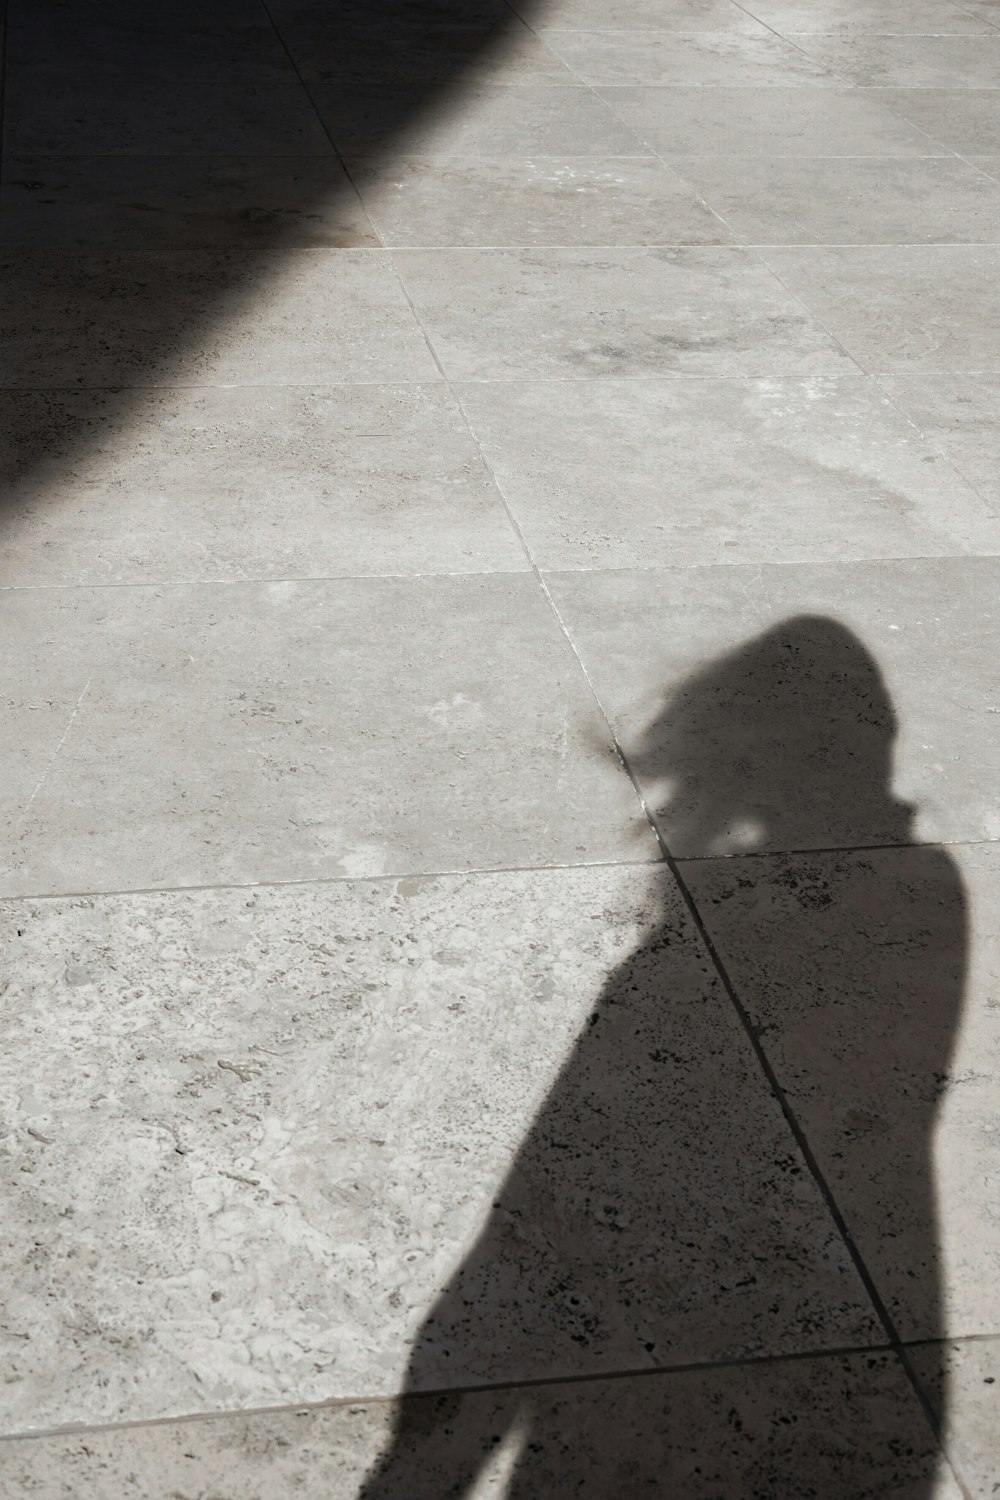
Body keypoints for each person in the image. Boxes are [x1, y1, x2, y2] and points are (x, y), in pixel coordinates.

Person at [360, 616, 965, 1497]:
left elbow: (540, 1208)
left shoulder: (703, 954)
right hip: (865, 1396)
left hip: (662, 1405)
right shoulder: (932, 895)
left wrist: (428, 1455)